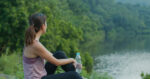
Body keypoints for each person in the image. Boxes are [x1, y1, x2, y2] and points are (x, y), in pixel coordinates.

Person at [23, 13, 82, 79]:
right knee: (74, 75)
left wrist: (73, 64)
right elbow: (57, 62)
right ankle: (76, 75)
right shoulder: (35, 45)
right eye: (46, 23)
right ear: (43, 26)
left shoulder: (32, 41)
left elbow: (51, 56)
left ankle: (75, 70)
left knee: (59, 54)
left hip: (41, 75)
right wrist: (72, 60)